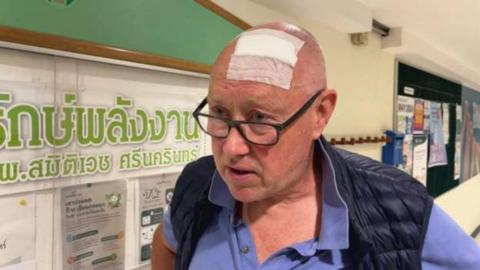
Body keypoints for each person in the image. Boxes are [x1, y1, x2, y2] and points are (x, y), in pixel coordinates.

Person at [152, 22, 480, 269]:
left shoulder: (399, 210)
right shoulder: (198, 185)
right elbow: (167, 243)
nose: (232, 147)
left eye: (259, 119)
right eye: (220, 113)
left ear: (320, 114)